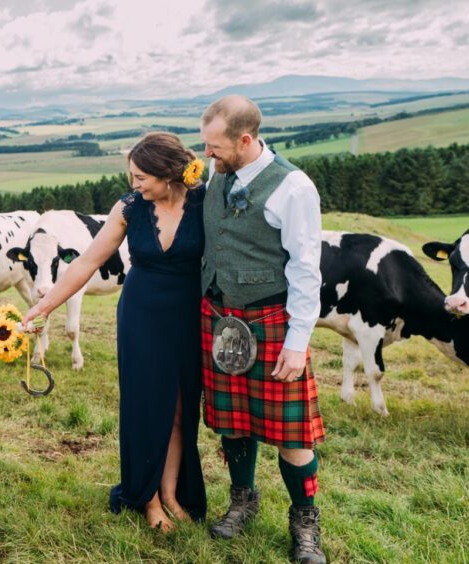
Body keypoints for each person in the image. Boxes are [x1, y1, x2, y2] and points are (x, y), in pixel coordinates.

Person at [22, 132, 207, 532]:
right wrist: (43, 305)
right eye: (132, 176)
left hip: (188, 317)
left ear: (169, 172)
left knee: (179, 408)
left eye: (141, 177)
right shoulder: (128, 209)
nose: (134, 184)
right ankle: (148, 498)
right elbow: (86, 262)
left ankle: (172, 492)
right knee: (145, 407)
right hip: (140, 315)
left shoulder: (204, 202)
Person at [199, 95, 326, 563]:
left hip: (272, 322)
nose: (207, 154)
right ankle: (243, 501)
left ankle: (305, 522)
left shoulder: (293, 188)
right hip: (219, 318)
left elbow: (306, 270)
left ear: (245, 140)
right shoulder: (217, 174)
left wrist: (297, 343)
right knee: (233, 425)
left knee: (294, 436)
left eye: (214, 146)